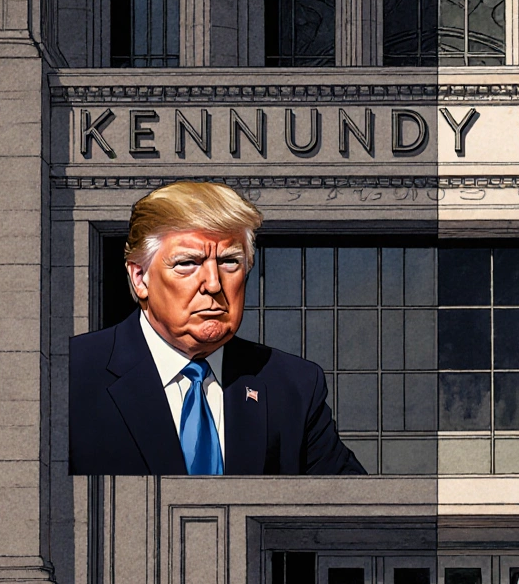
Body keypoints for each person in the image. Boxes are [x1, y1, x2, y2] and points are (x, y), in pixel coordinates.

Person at [70, 181, 366, 476]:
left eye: (229, 262)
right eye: (187, 263)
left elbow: (349, 510)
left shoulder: (293, 387)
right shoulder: (67, 377)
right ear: (140, 278)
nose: (213, 284)